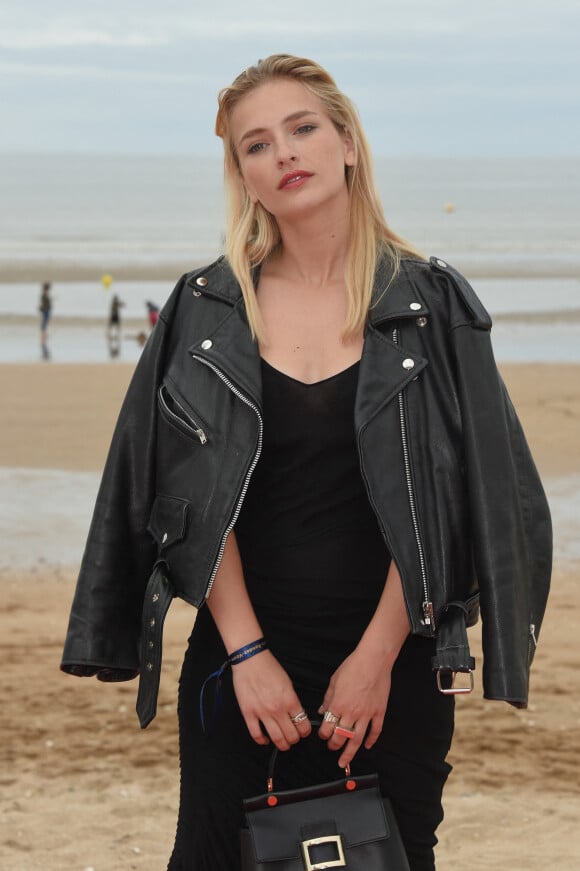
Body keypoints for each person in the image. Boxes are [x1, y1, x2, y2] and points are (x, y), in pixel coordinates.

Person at [61, 55, 552, 870]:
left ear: (348, 142)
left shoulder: (430, 306)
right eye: (256, 145)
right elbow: (185, 496)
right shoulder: (207, 308)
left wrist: (376, 658)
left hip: (392, 664)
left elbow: (459, 498)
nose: (282, 153)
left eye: (302, 129)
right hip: (240, 660)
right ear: (244, 177)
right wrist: (248, 656)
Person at [107, 292, 124, 357]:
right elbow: (120, 305)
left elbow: (120, 305)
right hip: (115, 316)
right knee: (115, 326)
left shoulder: (114, 303)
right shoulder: (115, 303)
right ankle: (114, 334)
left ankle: (111, 334)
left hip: (114, 316)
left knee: (112, 326)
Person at [38, 281, 52, 359]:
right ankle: (44, 337)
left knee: (44, 324)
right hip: (46, 311)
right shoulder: (45, 295)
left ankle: (44, 337)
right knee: (44, 324)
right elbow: (45, 305)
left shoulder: (44, 295)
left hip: (46, 312)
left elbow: (44, 305)